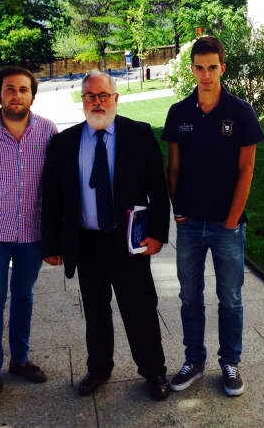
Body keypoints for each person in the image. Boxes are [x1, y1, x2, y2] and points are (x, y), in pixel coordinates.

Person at [41, 70, 171, 401]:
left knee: (140, 308)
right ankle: (99, 368)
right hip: (87, 243)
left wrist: (158, 233)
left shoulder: (139, 135)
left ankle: (154, 371)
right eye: (89, 96)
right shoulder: (64, 143)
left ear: (115, 98)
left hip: (128, 241)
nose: (96, 103)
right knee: (96, 310)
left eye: (103, 96)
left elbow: (158, 187)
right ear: (81, 100)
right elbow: (53, 197)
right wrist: (52, 244)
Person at [161, 36, 264, 397]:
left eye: (212, 67)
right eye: (199, 67)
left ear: (223, 67)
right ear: (191, 69)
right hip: (190, 225)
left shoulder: (240, 112)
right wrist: (178, 210)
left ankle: (230, 362)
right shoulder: (179, 113)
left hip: (227, 226)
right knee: (190, 296)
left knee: (230, 298)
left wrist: (233, 219)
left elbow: (247, 171)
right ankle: (194, 359)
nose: (206, 75)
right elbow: (172, 168)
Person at [0, 66, 58, 411]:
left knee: (24, 295)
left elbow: (55, 184)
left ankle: (19, 360)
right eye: (8, 89)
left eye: (22, 89)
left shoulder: (47, 131)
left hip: (33, 232)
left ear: (32, 94)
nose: (15, 95)